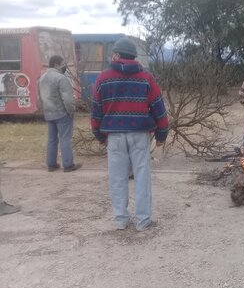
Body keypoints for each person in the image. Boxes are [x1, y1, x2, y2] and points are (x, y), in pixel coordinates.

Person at [91, 38, 169, 231]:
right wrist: (161, 135)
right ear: (133, 57)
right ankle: (143, 221)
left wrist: (99, 136)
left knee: (117, 178)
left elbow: (96, 111)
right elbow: (159, 108)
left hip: (114, 137)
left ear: (116, 55)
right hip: (140, 135)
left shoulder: (103, 78)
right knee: (142, 177)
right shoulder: (146, 78)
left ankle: (121, 220)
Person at [38, 55, 81, 172]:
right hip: (62, 113)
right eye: (63, 64)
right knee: (65, 139)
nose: (64, 66)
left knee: (51, 139)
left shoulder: (41, 78)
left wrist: (45, 111)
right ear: (56, 64)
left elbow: (40, 98)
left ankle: (51, 164)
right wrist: (71, 111)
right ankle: (68, 165)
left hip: (49, 113)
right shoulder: (61, 78)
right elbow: (67, 99)